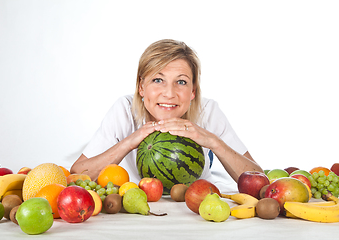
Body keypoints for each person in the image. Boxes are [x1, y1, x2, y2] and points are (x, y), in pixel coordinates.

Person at [70, 39, 263, 191]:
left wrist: (214, 142)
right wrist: (129, 142)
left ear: (193, 90)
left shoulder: (208, 111)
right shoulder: (124, 110)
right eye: (158, 79)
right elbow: (77, 173)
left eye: (181, 82)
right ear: (141, 87)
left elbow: (259, 181)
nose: (169, 93)